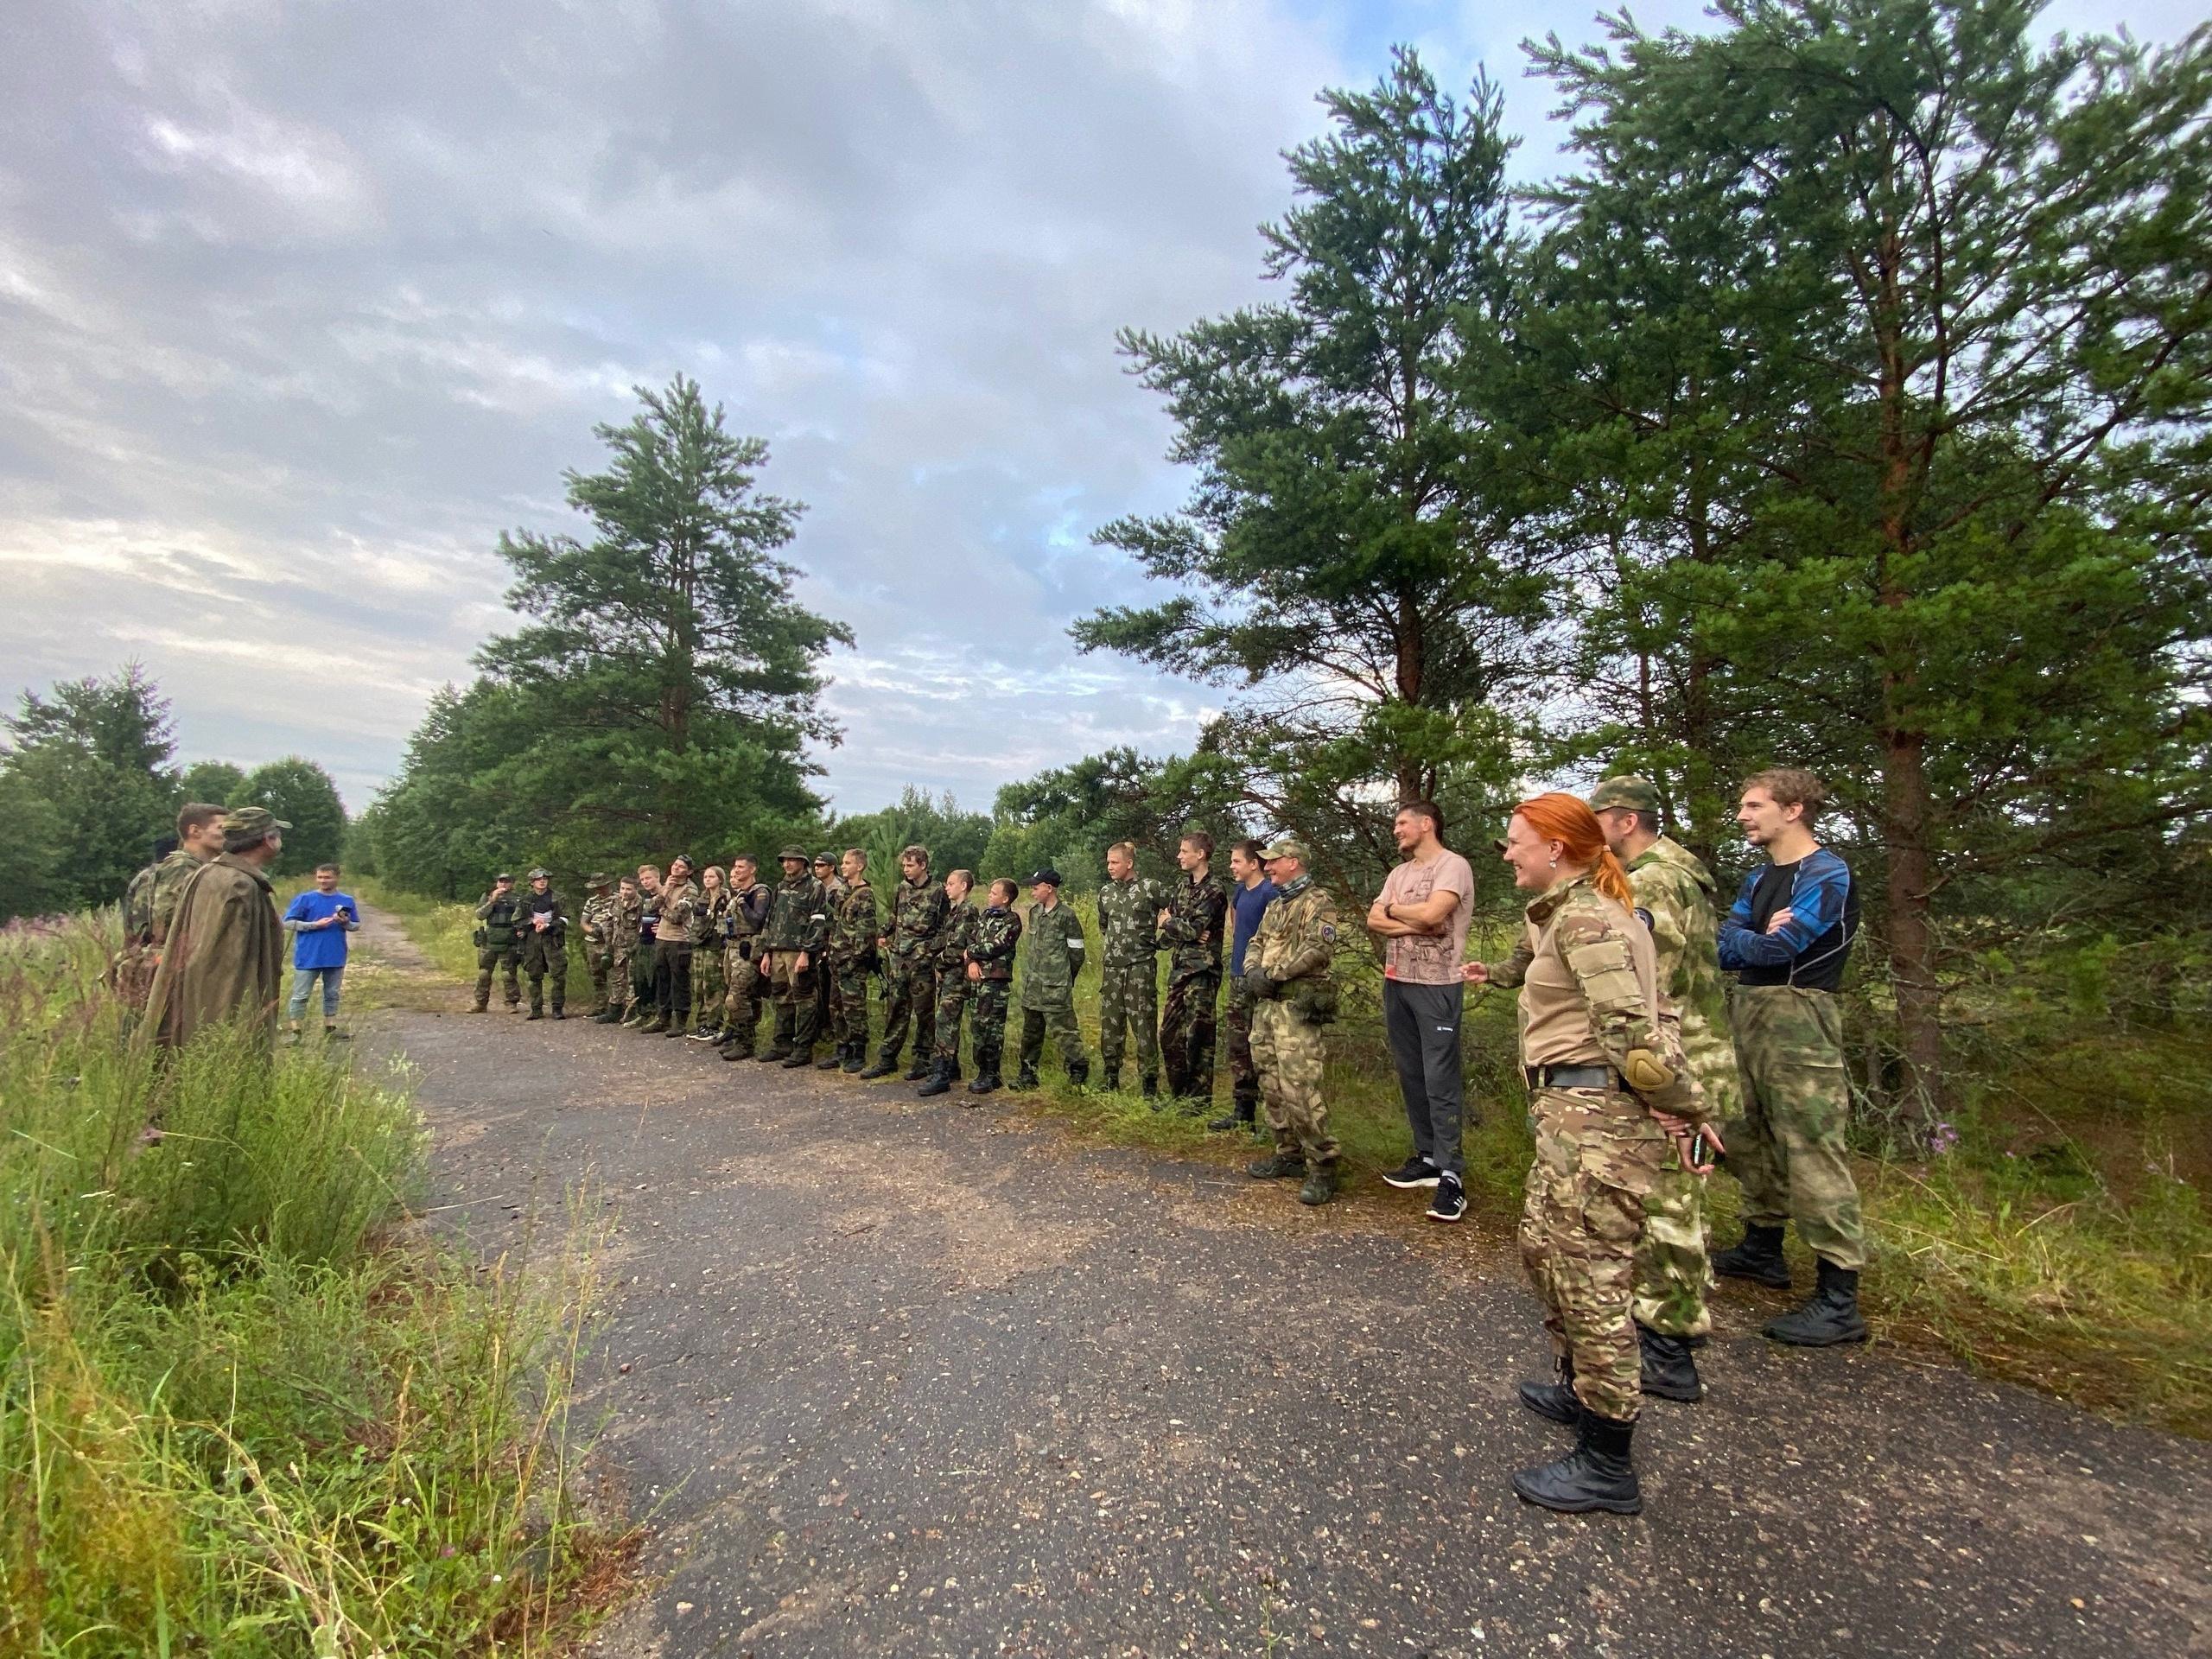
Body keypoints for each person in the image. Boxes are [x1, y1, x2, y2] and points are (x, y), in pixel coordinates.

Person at [1462, 792, 1717, 1516]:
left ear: (1556, 848)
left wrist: (1686, 1107)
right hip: (1573, 1118)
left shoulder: (1586, 918)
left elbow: (1635, 1036)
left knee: (1591, 1278)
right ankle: (1581, 1387)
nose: (1507, 853)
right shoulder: (1567, 915)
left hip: (1599, 1124)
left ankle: (1608, 1458)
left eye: (1516, 842)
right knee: (1545, 1249)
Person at [1592, 776, 1741, 1401]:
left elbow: (1652, 982)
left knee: (1671, 1203)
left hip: (1681, 1066)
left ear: (1626, 821)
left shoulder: (1652, 879)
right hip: (1686, 1061)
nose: (1590, 827)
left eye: (1598, 815)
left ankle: (1671, 1349)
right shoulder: (1676, 869)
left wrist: (1663, 1084)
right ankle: (1671, 1321)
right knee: (1676, 1199)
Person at [1712, 767, 1869, 1347]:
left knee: (1811, 1147)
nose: (1743, 816)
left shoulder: (1828, 873)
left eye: (1754, 805)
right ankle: (1762, 1247)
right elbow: (1723, 943)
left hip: (1801, 1018)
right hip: (1748, 1012)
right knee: (1745, 1131)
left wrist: (1751, 939)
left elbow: (1782, 948)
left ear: (1794, 809)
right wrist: (1751, 936)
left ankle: (1839, 1296)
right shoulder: (1761, 877)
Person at [1366, 801, 1476, 1223]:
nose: (1396, 830)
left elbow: (1437, 913)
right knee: (1411, 1071)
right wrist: (1410, 920)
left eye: (1402, 823)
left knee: (1440, 1076)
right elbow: (1375, 920)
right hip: (1398, 981)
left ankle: (1452, 1174)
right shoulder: (1399, 874)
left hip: (1438, 985)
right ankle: (1427, 1156)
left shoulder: (1453, 866)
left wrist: (1400, 912)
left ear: (1426, 824)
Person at [1242, 838, 1343, 1206]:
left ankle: (1323, 1166)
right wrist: (1253, 969)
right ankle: (1288, 1154)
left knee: (1300, 1088)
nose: (1267, 868)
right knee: (1270, 1083)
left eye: (1274, 862)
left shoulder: (1318, 902)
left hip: (1297, 1009)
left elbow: (1318, 949)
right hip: (1267, 1008)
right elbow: (1256, 941)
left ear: (1294, 862)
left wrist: (1277, 973)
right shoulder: (1275, 905)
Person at [142, 805, 289, 1053]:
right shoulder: (239, 885)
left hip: (197, 1007)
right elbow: (227, 968)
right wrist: (239, 1027)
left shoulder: (208, 873)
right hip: (221, 1013)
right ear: (268, 840)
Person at [1209, 838, 1279, 1134]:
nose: (1232, 866)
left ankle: (1273, 1117)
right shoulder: (1240, 892)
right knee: (1238, 1045)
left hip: (1260, 980)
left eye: (1237, 861)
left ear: (1254, 863)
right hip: (1238, 975)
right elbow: (1237, 926)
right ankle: (1243, 1110)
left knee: (1263, 1046)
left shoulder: (1269, 892)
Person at [864, 845, 950, 1080]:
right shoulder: (901, 888)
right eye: (904, 865)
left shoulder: (938, 892)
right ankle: (887, 1058)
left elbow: (945, 928)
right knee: (896, 1009)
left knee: (924, 1013)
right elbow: (896, 915)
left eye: (910, 865)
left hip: (922, 963)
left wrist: (929, 951)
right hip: (899, 959)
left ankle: (923, 1060)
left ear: (923, 865)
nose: (906, 870)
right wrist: (884, 933)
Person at [1157, 832, 1228, 1108]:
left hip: (1202, 973)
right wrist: (1176, 926)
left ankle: (1198, 1102)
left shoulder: (1215, 890)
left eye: (1184, 851)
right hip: (1179, 971)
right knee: (1170, 1034)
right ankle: (1179, 1096)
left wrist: (1170, 922)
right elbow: (1181, 931)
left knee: (1198, 1037)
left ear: (1200, 855)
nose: (1179, 856)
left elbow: (1192, 929)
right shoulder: (1181, 886)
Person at [1095, 842, 1163, 1096]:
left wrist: (1162, 940)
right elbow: (1105, 926)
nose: (1109, 867)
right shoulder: (1105, 893)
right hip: (1113, 968)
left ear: (1129, 864)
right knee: (1111, 1025)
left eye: (1114, 862)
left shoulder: (1149, 889)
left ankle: (1149, 1085)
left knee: (1144, 1026)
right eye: (1108, 862)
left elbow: (1173, 910)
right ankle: (1111, 1077)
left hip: (1140, 968)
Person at [1013, 868, 1089, 1090]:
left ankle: (1078, 1074)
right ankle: (1027, 1075)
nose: (1032, 891)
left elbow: (1077, 953)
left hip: (1056, 986)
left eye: (1036, 887)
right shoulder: (1034, 913)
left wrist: (1065, 977)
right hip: (1033, 986)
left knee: (1065, 1031)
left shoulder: (1067, 916)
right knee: (1031, 1034)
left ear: (1050, 888)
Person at [754, 846, 829, 1066]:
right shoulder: (780, 887)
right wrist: (767, 952)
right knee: (781, 997)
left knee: (804, 999)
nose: (787, 864)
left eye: (792, 860)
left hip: (799, 952)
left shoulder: (815, 887)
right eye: (784, 861)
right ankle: (782, 1044)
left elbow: (818, 921)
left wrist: (807, 952)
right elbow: (771, 918)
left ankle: (803, 1049)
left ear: (803, 863)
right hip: (778, 950)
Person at [281, 861, 359, 1041]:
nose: (323, 881)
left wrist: (344, 923)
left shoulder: (346, 901)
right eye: (320, 877)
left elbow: (356, 925)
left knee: (332, 994)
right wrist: (314, 925)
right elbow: (288, 922)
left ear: (337, 878)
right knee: (300, 995)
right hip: (308, 955)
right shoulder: (305, 899)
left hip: (335, 954)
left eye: (327, 877)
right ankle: (296, 1033)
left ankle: (330, 1029)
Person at [919, 868, 979, 1096]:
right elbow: (943, 940)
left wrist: (938, 961)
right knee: (945, 1021)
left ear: (963, 886)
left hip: (956, 976)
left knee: (945, 1022)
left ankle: (941, 1073)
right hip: (947, 975)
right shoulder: (954, 911)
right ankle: (951, 1067)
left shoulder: (968, 910)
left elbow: (958, 948)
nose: (947, 887)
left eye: (951, 883)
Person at [822, 849, 879, 1073]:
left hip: (852, 964)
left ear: (860, 866)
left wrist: (854, 962)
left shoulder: (865, 895)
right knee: (835, 1007)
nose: (843, 866)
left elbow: (865, 935)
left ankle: (858, 1051)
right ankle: (841, 1048)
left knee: (854, 1009)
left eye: (847, 863)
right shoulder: (842, 891)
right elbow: (836, 926)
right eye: (843, 863)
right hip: (837, 959)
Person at [963, 879, 1023, 1096]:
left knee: (992, 1029)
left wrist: (971, 953)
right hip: (978, 979)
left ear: (1005, 898)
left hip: (996, 982)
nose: (989, 895)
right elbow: (970, 940)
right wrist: (971, 961)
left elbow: (995, 946)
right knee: (978, 1027)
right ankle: (981, 1070)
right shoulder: (984, 917)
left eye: (994, 892)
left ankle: (993, 1074)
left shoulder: (1012, 920)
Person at [715, 855, 774, 1058]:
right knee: (741, 996)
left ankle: (745, 1042)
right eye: (735, 867)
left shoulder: (759, 892)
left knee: (738, 997)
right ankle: (739, 1036)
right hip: (732, 948)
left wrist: (742, 903)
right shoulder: (739, 893)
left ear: (752, 870)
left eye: (741, 867)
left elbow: (758, 920)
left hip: (748, 950)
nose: (737, 870)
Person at [149, 802, 228, 948]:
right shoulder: (181, 866)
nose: (228, 835)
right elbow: (166, 921)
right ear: (195, 831)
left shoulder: (200, 867)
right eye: (221, 828)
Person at [641, 855, 698, 1035]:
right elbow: (649, 906)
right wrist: (665, 891)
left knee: (679, 980)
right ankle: (663, 1017)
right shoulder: (668, 886)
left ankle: (680, 1021)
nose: (676, 868)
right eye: (675, 865)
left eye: (681, 867)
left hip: (679, 940)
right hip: (662, 938)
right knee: (663, 978)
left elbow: (678, 917)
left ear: (688, 871)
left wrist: (661, 909)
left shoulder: (690, 890)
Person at [472, 873, 526, 1013]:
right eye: (501, 881)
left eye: (507, 882)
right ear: (497, 883)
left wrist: (521, 931)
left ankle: (511, 1002)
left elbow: (523, 917)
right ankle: (480, 1002)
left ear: (512, 884)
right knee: (484, 973)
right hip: (490, 938)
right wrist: (492, 900)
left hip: (509, 938)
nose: (504, 884)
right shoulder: (488, 896)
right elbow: (480, 915)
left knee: (508, 973)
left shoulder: (518, 898)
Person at [518, 867, 569, 1020]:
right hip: (533, 940)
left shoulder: (558, 898)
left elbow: (566, 918)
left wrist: (549, 925)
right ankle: (536, 1009)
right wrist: (532, 921)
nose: (542, 881)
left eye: (545, 879)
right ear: (532, 882)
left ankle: (557, 1009)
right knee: (534, 975)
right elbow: (517, 920)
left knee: (558, 975)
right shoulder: (526, 900)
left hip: (553, 939)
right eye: (538, 879)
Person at [688, 865, 728, 1037]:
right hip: (700, 943)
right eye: (705, 876)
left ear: (720, 879)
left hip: (716, 944)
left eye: (712, 876)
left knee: (713, 985)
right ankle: (702, 1023)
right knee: (699, 985)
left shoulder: (726, 896)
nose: (707, 879)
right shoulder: (702, 898)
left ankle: (714, 1024)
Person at [621, 866, 662, 1027]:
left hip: (657, 944)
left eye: (649, 878)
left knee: (656, 982)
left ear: (657, 878)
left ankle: (659, 1016)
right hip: (643, 943)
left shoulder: (664, 896)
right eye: (643, 879)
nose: (646, 882)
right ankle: (644, 1013)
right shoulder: (646, 897)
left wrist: (663, 927)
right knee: (641, 982)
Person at [812, 852, 845, 1052]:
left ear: (831, 867)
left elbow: (835, 920)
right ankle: (820, 1027)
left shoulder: (838, 889)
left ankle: (830, 1030)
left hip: (831, 943)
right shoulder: (816, 887)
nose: (817, 868)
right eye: (815, 865)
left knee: (829, 990)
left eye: (821, 865)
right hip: (815, 942)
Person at [580, 874, 621, 1019]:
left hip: (612, 942)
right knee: (597, 976)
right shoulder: (591, 902)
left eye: (601, 887)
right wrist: (592, 931)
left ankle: (616, 1006)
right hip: (594, 942)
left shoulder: (618, 898)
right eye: (596, 887)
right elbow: (584, 922)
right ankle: (600, 1005)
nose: (599, 890)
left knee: (616, 975)